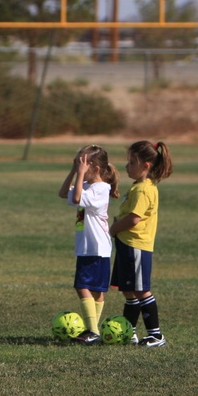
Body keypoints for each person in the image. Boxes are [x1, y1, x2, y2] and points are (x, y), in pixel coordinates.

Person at [109, 140, 174, 347]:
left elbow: (134, 218)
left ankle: (156, 335)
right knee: (129, 290)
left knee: (141, 290)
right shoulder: (138, 186)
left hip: (136, 245)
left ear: (146, 165)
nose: (127, 167)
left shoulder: (144, 189)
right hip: (126, 244)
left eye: (132, 163)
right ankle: (129, 332)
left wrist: (114, 228)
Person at [57, 145, 120, 345]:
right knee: (95, 291)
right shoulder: (84, 185)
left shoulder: (101, 189)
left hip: (96, 248)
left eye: (83, 164)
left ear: (95, 168)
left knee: (83, 286)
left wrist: (80, 174)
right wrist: (74, 171)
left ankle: (92, 330)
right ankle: (93, 330)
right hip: (87, 247)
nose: (79, 168)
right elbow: (62, 193)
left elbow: (76, 198)